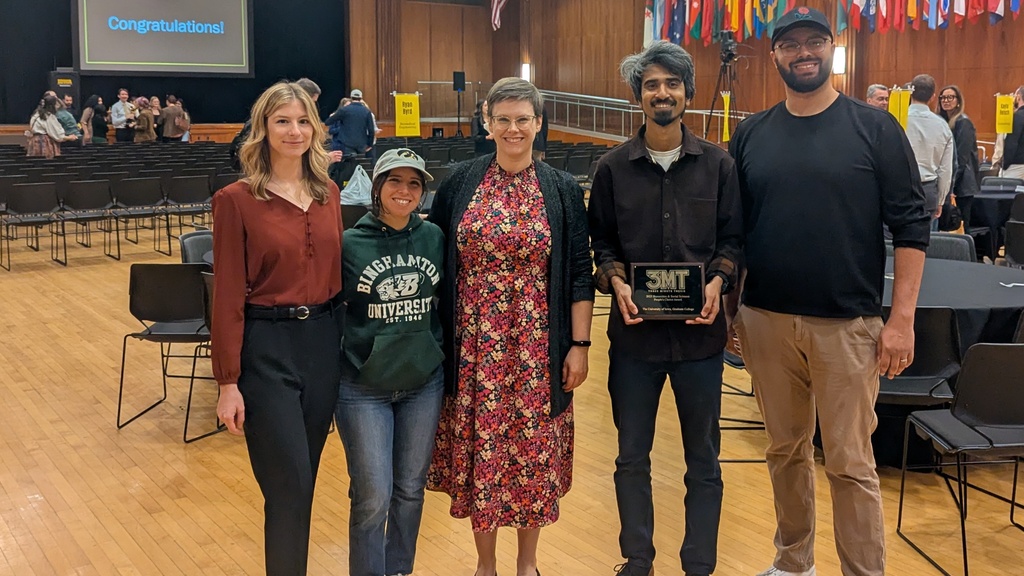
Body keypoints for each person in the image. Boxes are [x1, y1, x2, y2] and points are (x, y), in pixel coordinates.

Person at [728, 8, 930, 576]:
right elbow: (736, 234)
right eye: (790, 45)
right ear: (775, 56)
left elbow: (913, 229)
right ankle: (793, 563)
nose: (803, 53)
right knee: (784, 452)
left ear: (831, 50)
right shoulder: (752, 133)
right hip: (765, 322)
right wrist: (735, 316)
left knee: (849, 462)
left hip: (849, 327)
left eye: (814, 42)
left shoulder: (875, 129)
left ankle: (861, 571)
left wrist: (901, 321)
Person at [426, 77, 594, 576]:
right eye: (503, 119)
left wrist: (579, 345)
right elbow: (434, 254)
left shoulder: (562, 189)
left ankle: (527, 564)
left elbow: (579, 273)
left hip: (538, 348)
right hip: (473, 345)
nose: (513, 128)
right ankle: (485, 566)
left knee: (531, 456)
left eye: (523, 119)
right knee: (484, 451)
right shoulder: (460, 181)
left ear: (539, 123)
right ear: (487, 122)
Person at [588, 41, 742, 576]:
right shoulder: (611, 169)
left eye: (672, 84)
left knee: (704, 460)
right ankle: (637, 560)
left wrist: (719, 281)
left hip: (701, 342)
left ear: (688, 93)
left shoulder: (720, 166)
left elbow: (733, 241)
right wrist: (616, 282)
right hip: (634, 343)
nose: (662, 93)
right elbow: (602, 245)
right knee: (631, 458)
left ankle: (699, 563)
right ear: (638, 97)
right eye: (651, 84)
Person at [210, 81, 344, 576]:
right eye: (282, 121)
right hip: (266, 349)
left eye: (303, 120)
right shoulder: (236, 199)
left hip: (323, 346)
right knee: (287, 482)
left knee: (303, 482)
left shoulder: (328, 192)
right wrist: (227, 382)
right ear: (262, 129)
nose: (294, 130)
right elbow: (225, 295)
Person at [334, 148, 444, 576]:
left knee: (411, 490)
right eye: (394, 180)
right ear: (377, 187)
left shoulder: (434, 238)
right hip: (363, 386)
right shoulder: (348, 243)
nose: (405, 190)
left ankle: (399, 570)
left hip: (422, 383)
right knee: (373, 495)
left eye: (414, 183)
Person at [905, 74, 954, 231]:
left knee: (891, 245)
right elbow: (946, 170)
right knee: (927, 245)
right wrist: (941, 200)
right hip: (928, 191)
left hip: (897, 188)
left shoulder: (895, 119)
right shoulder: (943, 126)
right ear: (933, 97)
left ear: (910, 92)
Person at [937, 85, 979, 228]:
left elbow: (961, 157)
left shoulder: (963, 122)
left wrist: (951, 186)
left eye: (950, 97)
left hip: (962, 183)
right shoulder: (942, 122)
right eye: (943, 97)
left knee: (961, 224)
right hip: (950, 180)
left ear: (958, 101)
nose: (946, 101)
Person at [326, 88, 375, 158]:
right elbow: (371, 130)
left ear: (351, 98)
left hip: (347, 143)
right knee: (360, 164)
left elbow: (328, 122)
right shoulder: (367, 111)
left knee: (349, 164)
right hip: (361, 144)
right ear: (361, 98)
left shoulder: (344, 110)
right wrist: (369, 144)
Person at [1002, 86, 1024, 179]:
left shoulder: (1017, 117)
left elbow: (1012, 143)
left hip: (1016, 166)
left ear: (1018, 97)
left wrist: (1005, 165)